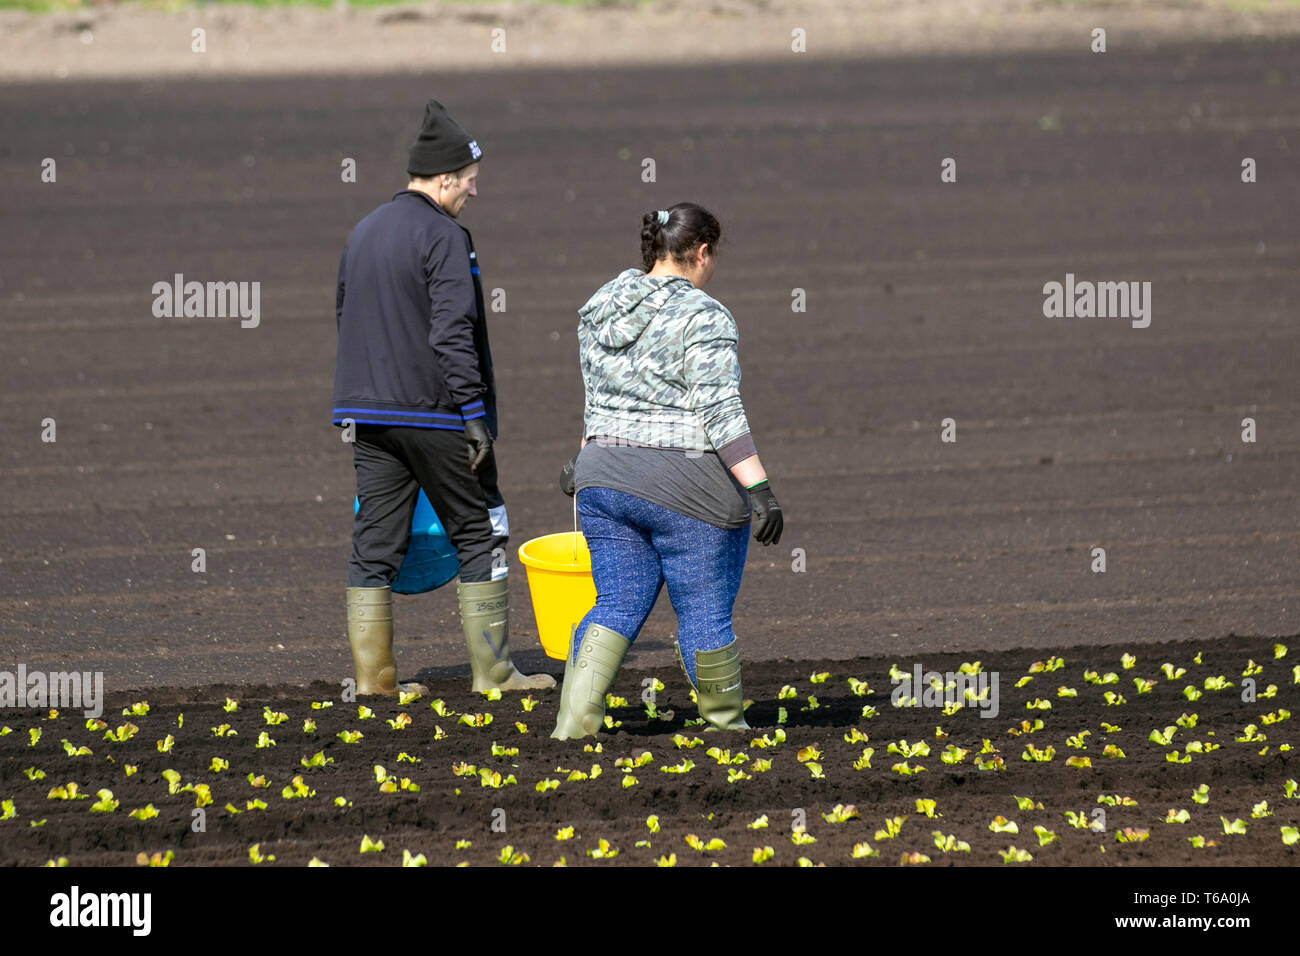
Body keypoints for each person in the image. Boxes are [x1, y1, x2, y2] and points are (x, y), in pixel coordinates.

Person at [332, 98, 554, 698]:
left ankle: (374, 683)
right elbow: (453, 331)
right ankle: (496, 673)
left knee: (375, 542)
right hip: (433, 412)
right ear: (447, 178)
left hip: (367, 415)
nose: (474, 194)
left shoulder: (364, 231)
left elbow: (344, 317)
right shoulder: (445, 236)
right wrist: (475, 417)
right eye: (471, 183)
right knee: (478, 530)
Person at [551, 202, 782, 739]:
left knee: (618, 599)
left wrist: (584, 457)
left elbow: (597, 395)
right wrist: (760, 488)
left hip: (603, 479)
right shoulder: (705, 316)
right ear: (701, 253)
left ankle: (573, 724)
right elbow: (720, 410)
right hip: (685, 485)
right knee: (703, 608)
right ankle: (726, 726)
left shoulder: (600, 305)